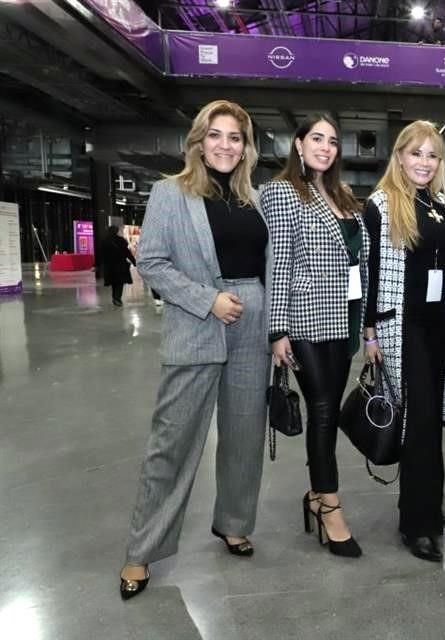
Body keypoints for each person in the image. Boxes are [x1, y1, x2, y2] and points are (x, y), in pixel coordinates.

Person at [118, 100, 270, 600]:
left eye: (236, 137)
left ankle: (232, 522)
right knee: (174, 441)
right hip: (198, 321)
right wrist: (209, 301)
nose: (226, 145)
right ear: (199, 141)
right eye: (217, 135)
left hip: (252, 323)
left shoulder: (256, 198)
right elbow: (154, 262)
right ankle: (142, 551)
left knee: (244, 434)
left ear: (246, 147)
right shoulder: (170, 193)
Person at [261, 113, 369, 558]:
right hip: (305, 318)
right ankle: (330, 506)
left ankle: (315, 496)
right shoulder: (283, 192)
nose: (325, 147)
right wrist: (277, 329)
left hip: (344, 319)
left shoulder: (342, 195)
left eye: (332, 141)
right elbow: (278, 261)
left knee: (327, 409)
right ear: (299, 145)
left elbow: (356, 262)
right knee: (323, 409)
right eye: (317, 139)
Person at [362, 120, 445, 562]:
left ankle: (428, 504)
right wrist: (369, 332)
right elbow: (366, 272)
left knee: (431, 419)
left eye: (432, 155)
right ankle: (415, 524)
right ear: (399, 155)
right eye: (416, 153)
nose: (424, 162)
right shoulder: (382, 205)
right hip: (401, 326)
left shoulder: (442, 204)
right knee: (418, 420)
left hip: (439, 323)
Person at [100, 225, 136, 306]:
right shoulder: (121, 240)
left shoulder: (104, 241)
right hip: (120, 265)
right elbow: (127, 253)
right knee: (120, 282)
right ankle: (117, 298)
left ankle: (115, 298)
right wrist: (134, 262)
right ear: (116, 231)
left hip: (110, 266)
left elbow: (101, 254)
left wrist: (97, 265)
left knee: (114, 282)